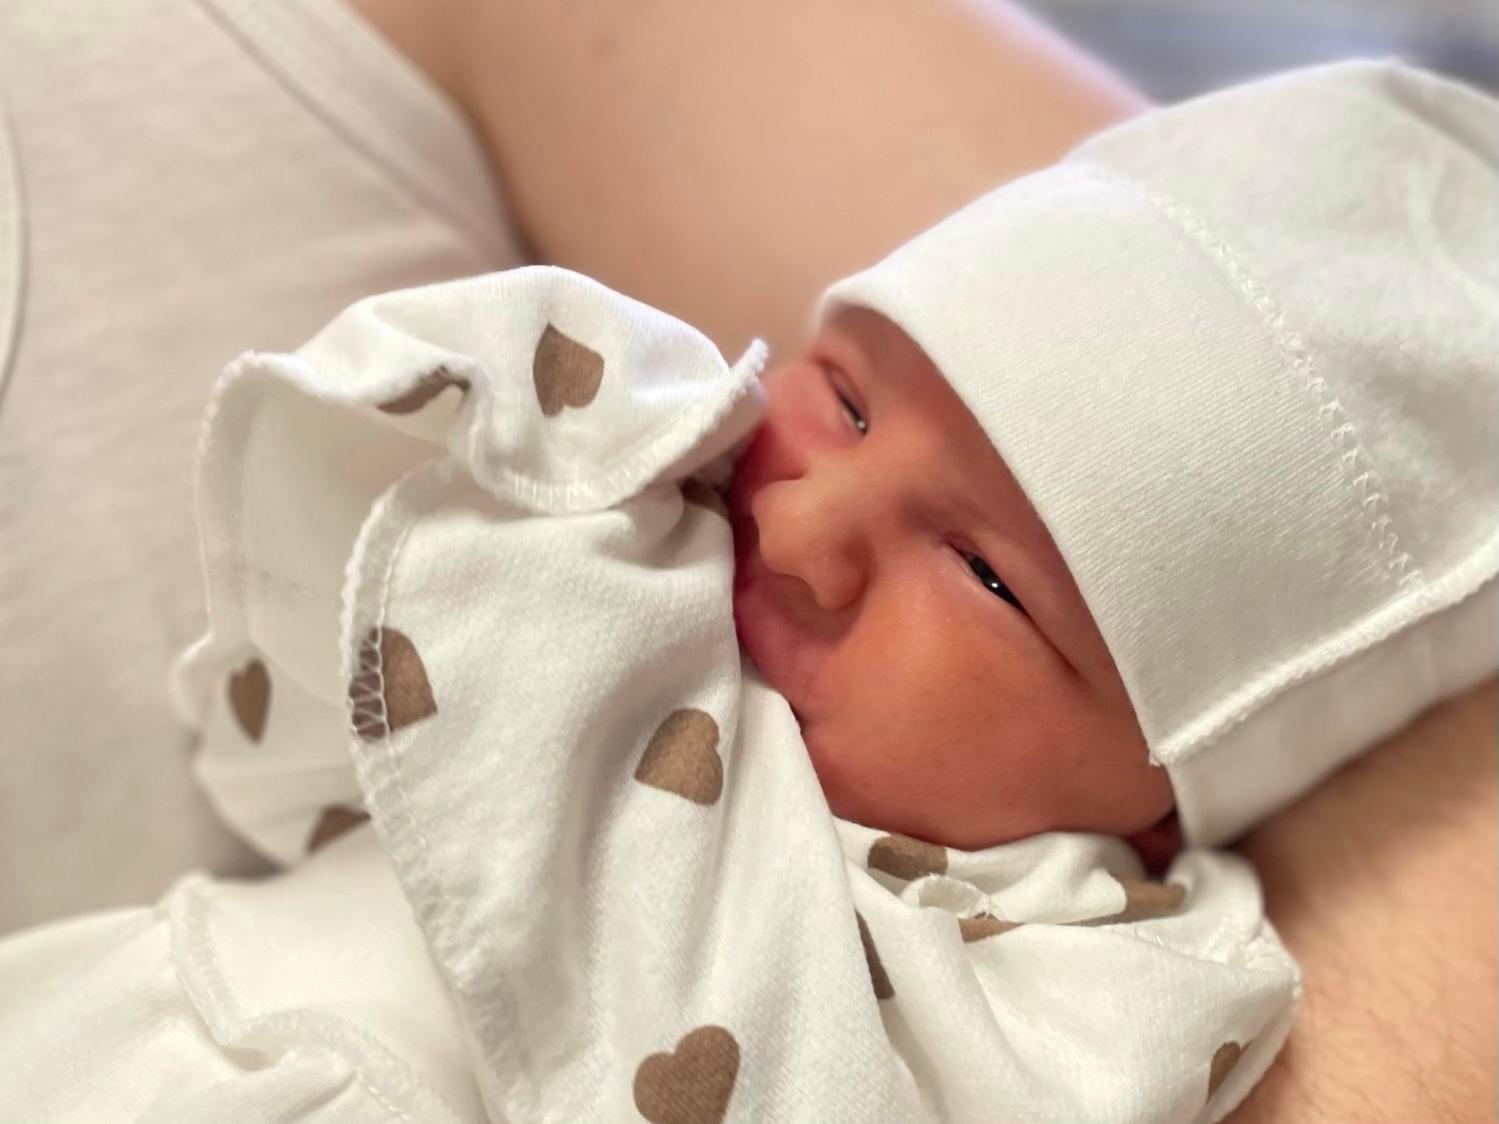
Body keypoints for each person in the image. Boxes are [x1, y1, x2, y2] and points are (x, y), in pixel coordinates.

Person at [0, 1, 1492, 1120]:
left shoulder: (1089, 997)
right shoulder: (608, 555)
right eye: (842, 398)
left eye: (988, 582)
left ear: (1163, 806)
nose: (806, 529)